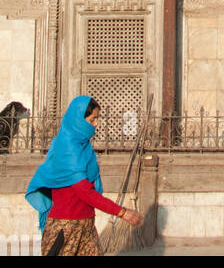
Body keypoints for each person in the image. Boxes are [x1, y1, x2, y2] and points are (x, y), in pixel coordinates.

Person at [25, 96, 142, 256]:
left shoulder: (83, 146)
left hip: (86, 225)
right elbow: (84, 192)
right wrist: (122, 212)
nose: (96, 124)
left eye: (97, 119)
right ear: (79, 119)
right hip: (66, 228)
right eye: (92, 119)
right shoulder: (67, 147)